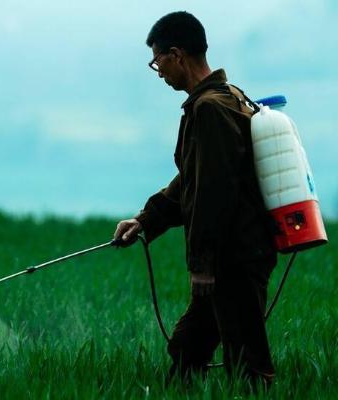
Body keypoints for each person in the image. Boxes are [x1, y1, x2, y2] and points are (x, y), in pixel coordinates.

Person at [113, 11, 278, 387]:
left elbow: (211, 193)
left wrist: (202, 264)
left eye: (157, 62)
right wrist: (146, 220)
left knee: (248, 365)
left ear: (176, 55)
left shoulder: (210, 109)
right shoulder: (226, 98)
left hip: (233, 257)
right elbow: (193, 177)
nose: (158, 72)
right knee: (187, 346)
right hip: (236, 251)